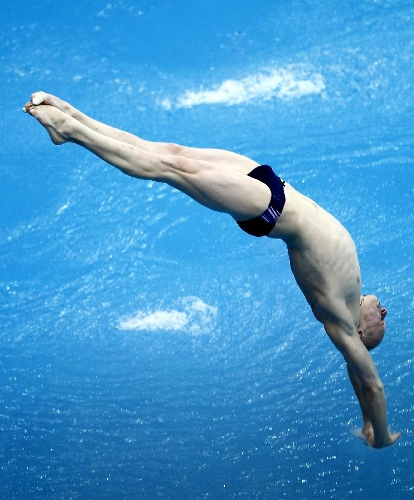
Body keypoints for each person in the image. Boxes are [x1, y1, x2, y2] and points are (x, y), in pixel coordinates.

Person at [23, 92, 400, 448]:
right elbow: (360, 376)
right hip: (271, 182)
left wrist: (380, 435)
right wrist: (366, 420)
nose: (384, 313)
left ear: (360, 333)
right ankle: (73, 116)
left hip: (268, 208)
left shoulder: (337, 317)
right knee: (171, 151)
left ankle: (70, 132)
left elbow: (371, 383)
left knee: (169, 168)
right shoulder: (356, 288)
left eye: (380, 326)